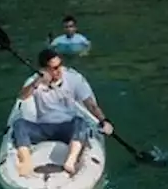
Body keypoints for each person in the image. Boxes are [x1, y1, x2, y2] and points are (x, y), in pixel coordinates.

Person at [13, 48, 113, 177]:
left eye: (60, 65)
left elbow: (91, 104)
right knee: (19, 124)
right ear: (44, 69)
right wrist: (38, 82)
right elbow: (22, 97)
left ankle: (71, 160)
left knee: (81, 122)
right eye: (54, 68)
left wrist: (104, 121)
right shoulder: (35, 81)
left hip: (68, 127)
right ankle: (26, 161)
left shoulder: (73, 78)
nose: (59, 70)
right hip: (43, 128)